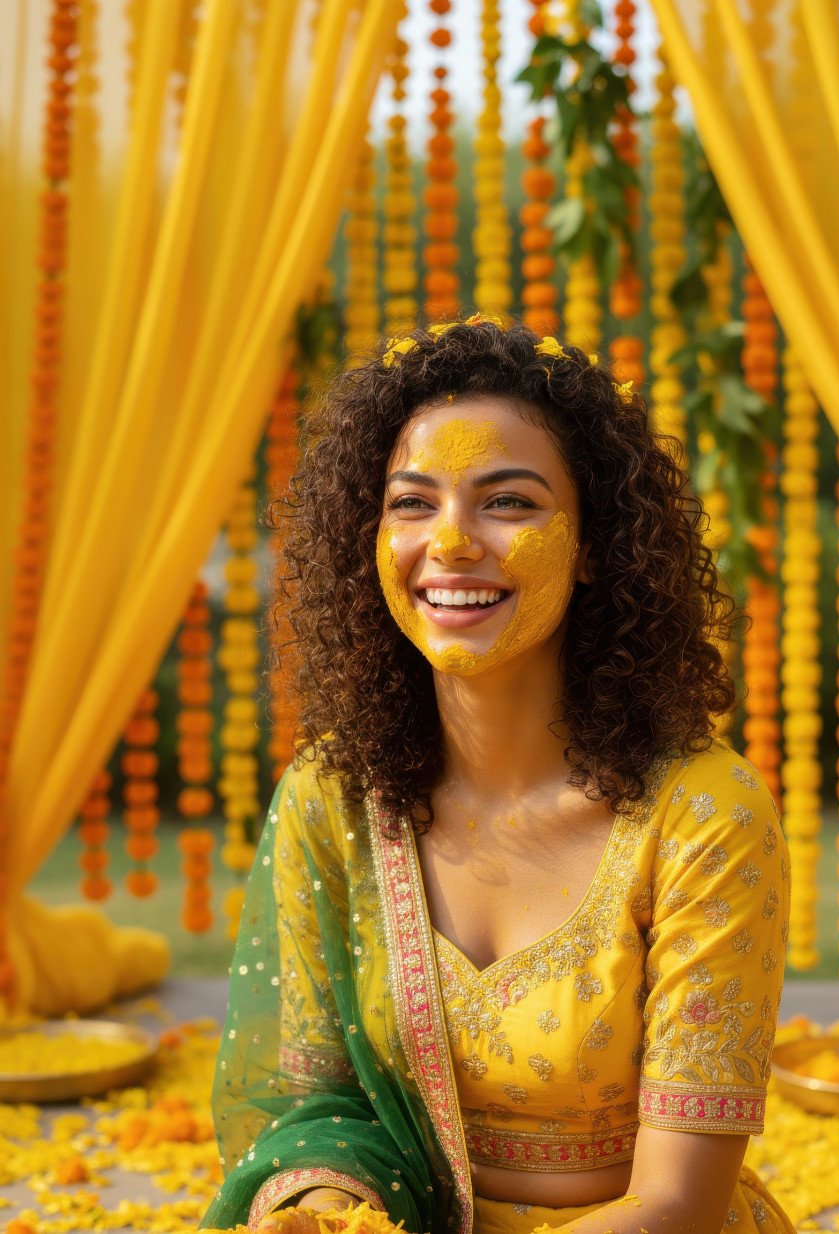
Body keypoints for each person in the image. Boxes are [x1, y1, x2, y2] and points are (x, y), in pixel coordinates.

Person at [200, 316, 796, 1234]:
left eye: (508, 503)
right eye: (410, 503)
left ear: (598, 543)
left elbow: (678, 1204)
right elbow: (310, 1112)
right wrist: (319, 1212)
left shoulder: (703, 817)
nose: (449, 543)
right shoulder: (337, 800)